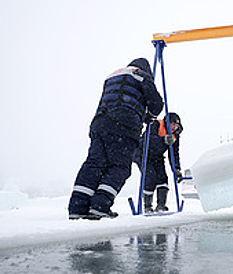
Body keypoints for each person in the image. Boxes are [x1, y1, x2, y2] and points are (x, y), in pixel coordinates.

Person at [68, 58, 164, 220]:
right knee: (119, 166)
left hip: (100, 123)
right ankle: (100, 206)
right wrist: (150, 116)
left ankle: (78, 207)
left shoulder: (112, 76)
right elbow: (156, 104)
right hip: (124, 123)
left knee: (94, 164)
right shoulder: (141, 75)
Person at [134, 112, 183, 213]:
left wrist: (176, 169)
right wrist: (163, 140)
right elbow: (147, 140)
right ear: (167, 122)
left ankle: (161, 205)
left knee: (162, 178)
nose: (174, 127)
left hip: (157, 157)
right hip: (143, 154)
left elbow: (174, 154)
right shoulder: (155, 125)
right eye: (172, 124)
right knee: (150, 177)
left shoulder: (175, 136)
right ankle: (147, 206)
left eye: (176, 125)